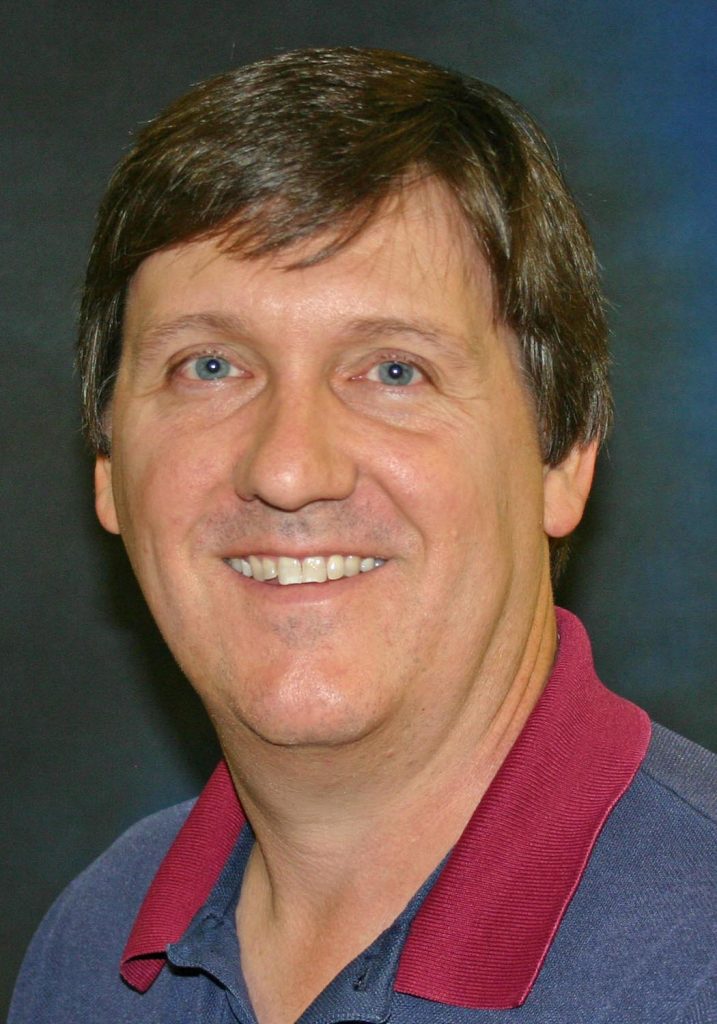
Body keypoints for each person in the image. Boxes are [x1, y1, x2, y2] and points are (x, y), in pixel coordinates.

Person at [9, 47, 716, 1024]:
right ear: (108, 468)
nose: (288, 468)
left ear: (563, 458)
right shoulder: (91, 951)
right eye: (209, 366)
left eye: (393, 371)